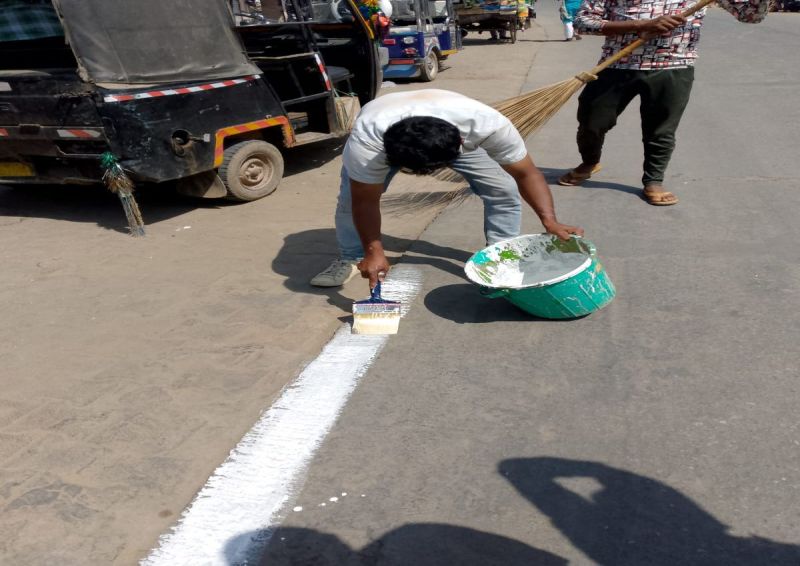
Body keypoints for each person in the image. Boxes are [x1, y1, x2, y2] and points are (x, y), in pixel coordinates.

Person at [310, 89, 583, 288]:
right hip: (388, 130)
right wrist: (375, 252)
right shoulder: (368, 143)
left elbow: (526, 173)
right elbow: (365, 202)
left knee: (503, 188)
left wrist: (550, 221)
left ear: (462, 143)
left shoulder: (488, 125)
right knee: (349, 201)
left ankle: (500, 253)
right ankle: (352, 257)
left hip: (445, 132)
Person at [558, 0, 769, 205]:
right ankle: (590, 161)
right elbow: (583, 22)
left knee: (660, 130)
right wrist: (640, 26)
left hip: (674, 66)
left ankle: (653, 180)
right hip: (616, 64)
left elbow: (751, 16)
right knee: (591, 121)